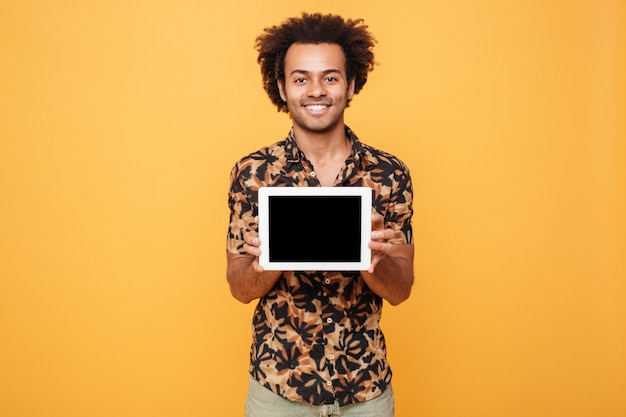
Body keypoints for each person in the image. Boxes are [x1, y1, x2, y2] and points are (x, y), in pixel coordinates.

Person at [226, 13, 414, 417]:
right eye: (300, 78)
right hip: (277, 391)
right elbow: (239, 288)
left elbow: (401, 290)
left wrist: (373, 260)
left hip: (366, 389)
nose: (316, 90)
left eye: (330, 77)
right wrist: (265, 260)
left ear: (350, 84)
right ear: (282, 87)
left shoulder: (388, 173)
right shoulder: (253, 173)